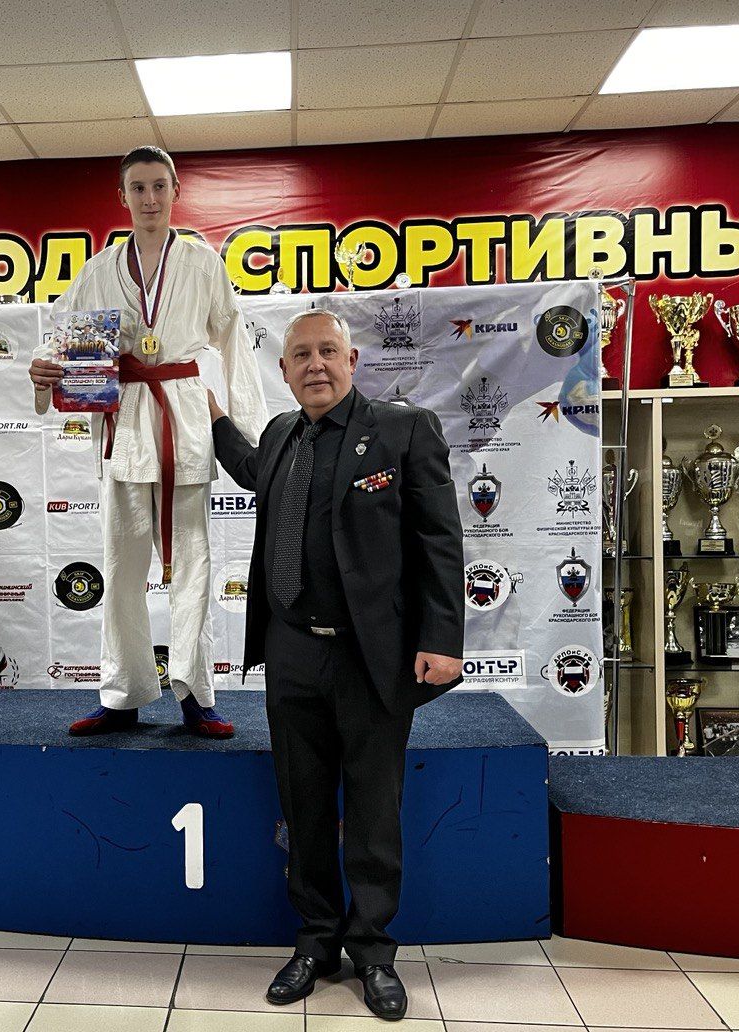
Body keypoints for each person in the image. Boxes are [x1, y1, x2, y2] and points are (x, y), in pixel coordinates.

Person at [209, 309, 465, 1020]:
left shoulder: (403, 430)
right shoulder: (280, 434)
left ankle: (373, 951)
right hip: (291, 651)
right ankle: (316, 942)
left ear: (352, 361)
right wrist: (210, 416)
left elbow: (439, 539)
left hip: (371, 657)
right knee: (305, 806)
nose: (315, 364)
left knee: (375, 810)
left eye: (328, 351)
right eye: (301, 355)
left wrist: (443, 638)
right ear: (284, 370)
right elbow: (251, 469)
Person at [30, 146, 267, 738]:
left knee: (193, 566)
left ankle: (195, 693)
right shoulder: (99, 269)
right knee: (121, 566)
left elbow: (234, 344)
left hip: (184, 418)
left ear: (176, 191)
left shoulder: (203, 263)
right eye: (138, 188)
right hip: (125, 421)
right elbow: (61, 336)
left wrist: (252, 436)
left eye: (160, 186)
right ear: (123, 197)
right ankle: (122, 694)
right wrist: (43, 369)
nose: (150, 198)